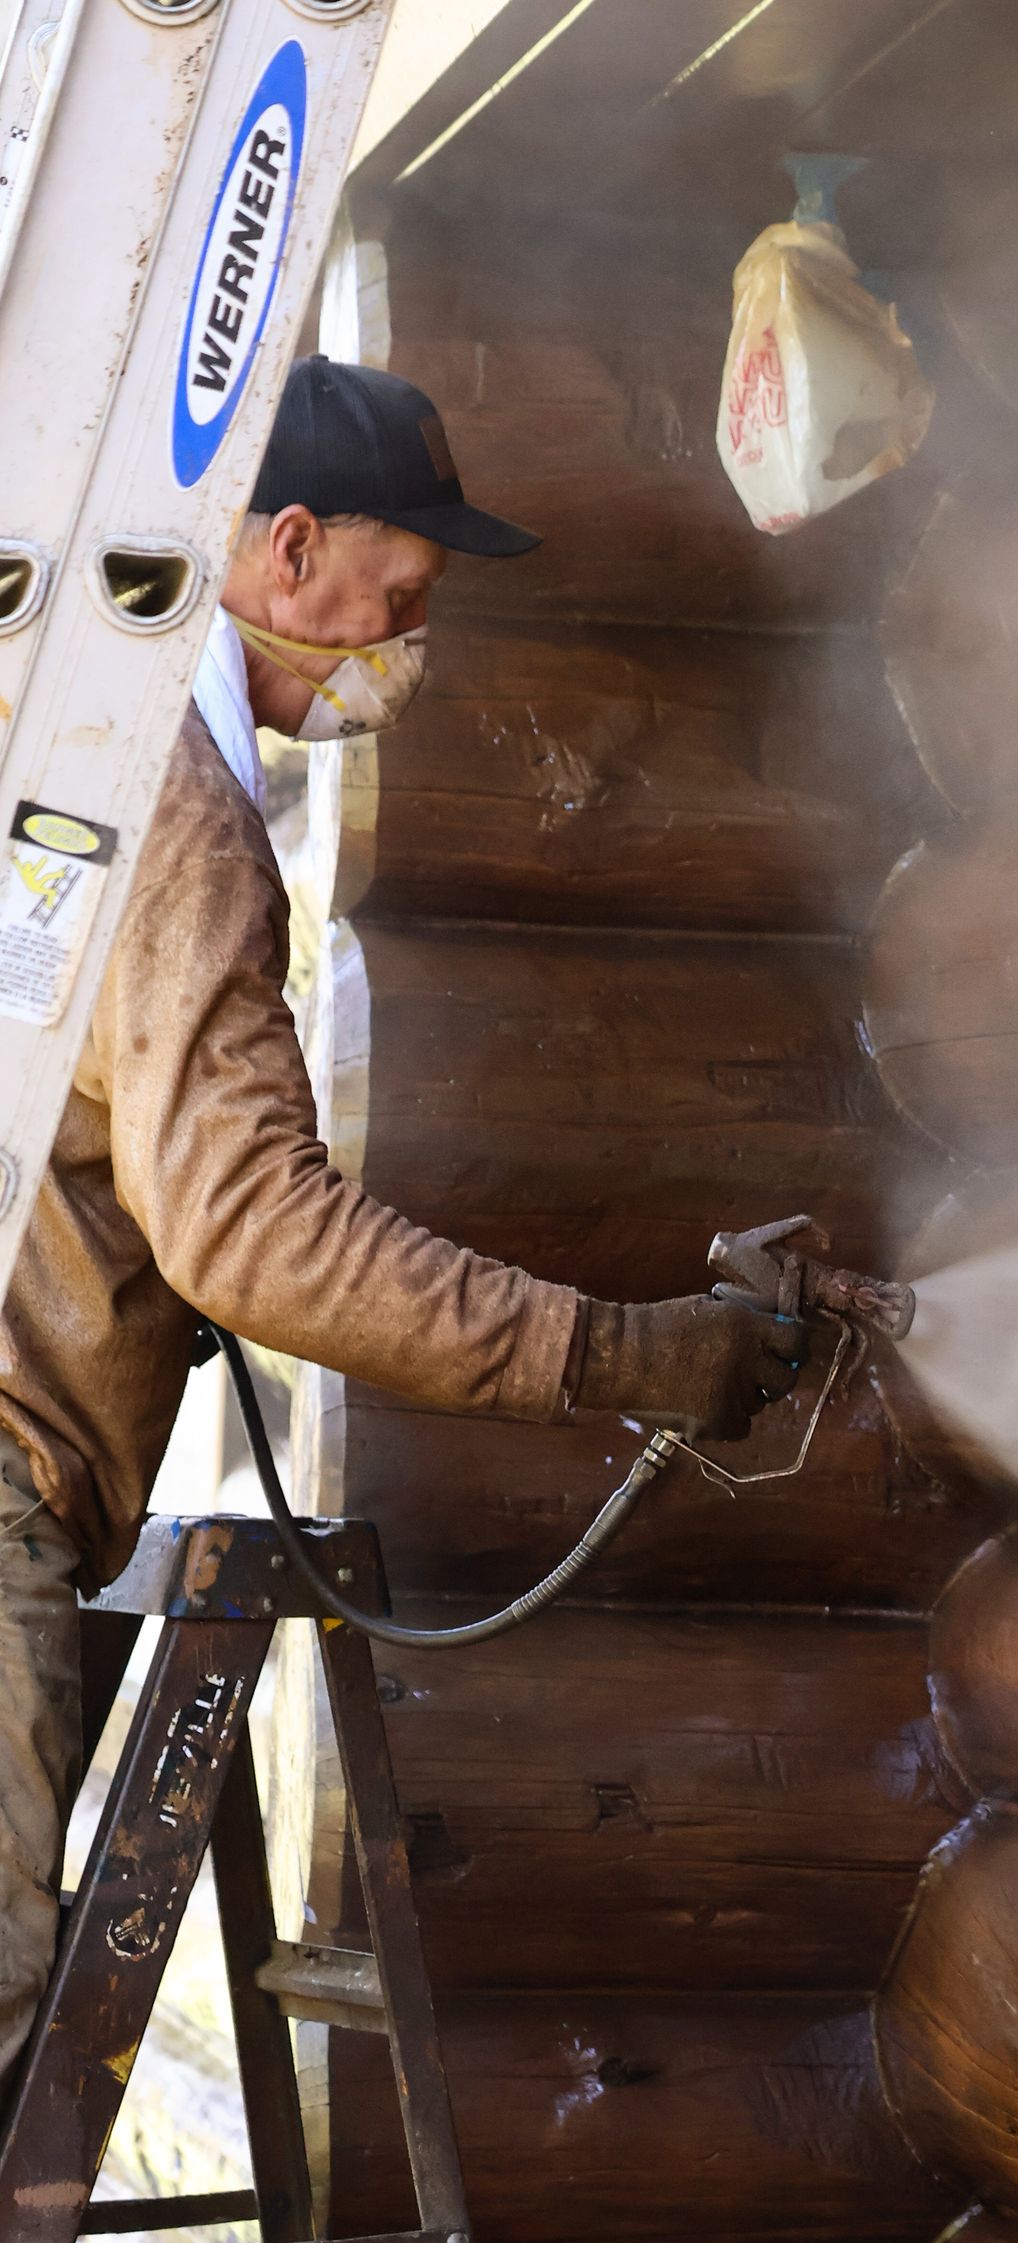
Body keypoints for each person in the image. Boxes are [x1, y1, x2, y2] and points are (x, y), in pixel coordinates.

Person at [0, 355, 802, 2084]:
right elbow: (254, 1231)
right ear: (288, 554)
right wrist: (629, 1353)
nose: (418, 643)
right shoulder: (178, 813)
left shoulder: (73, 724)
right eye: (407, 595)